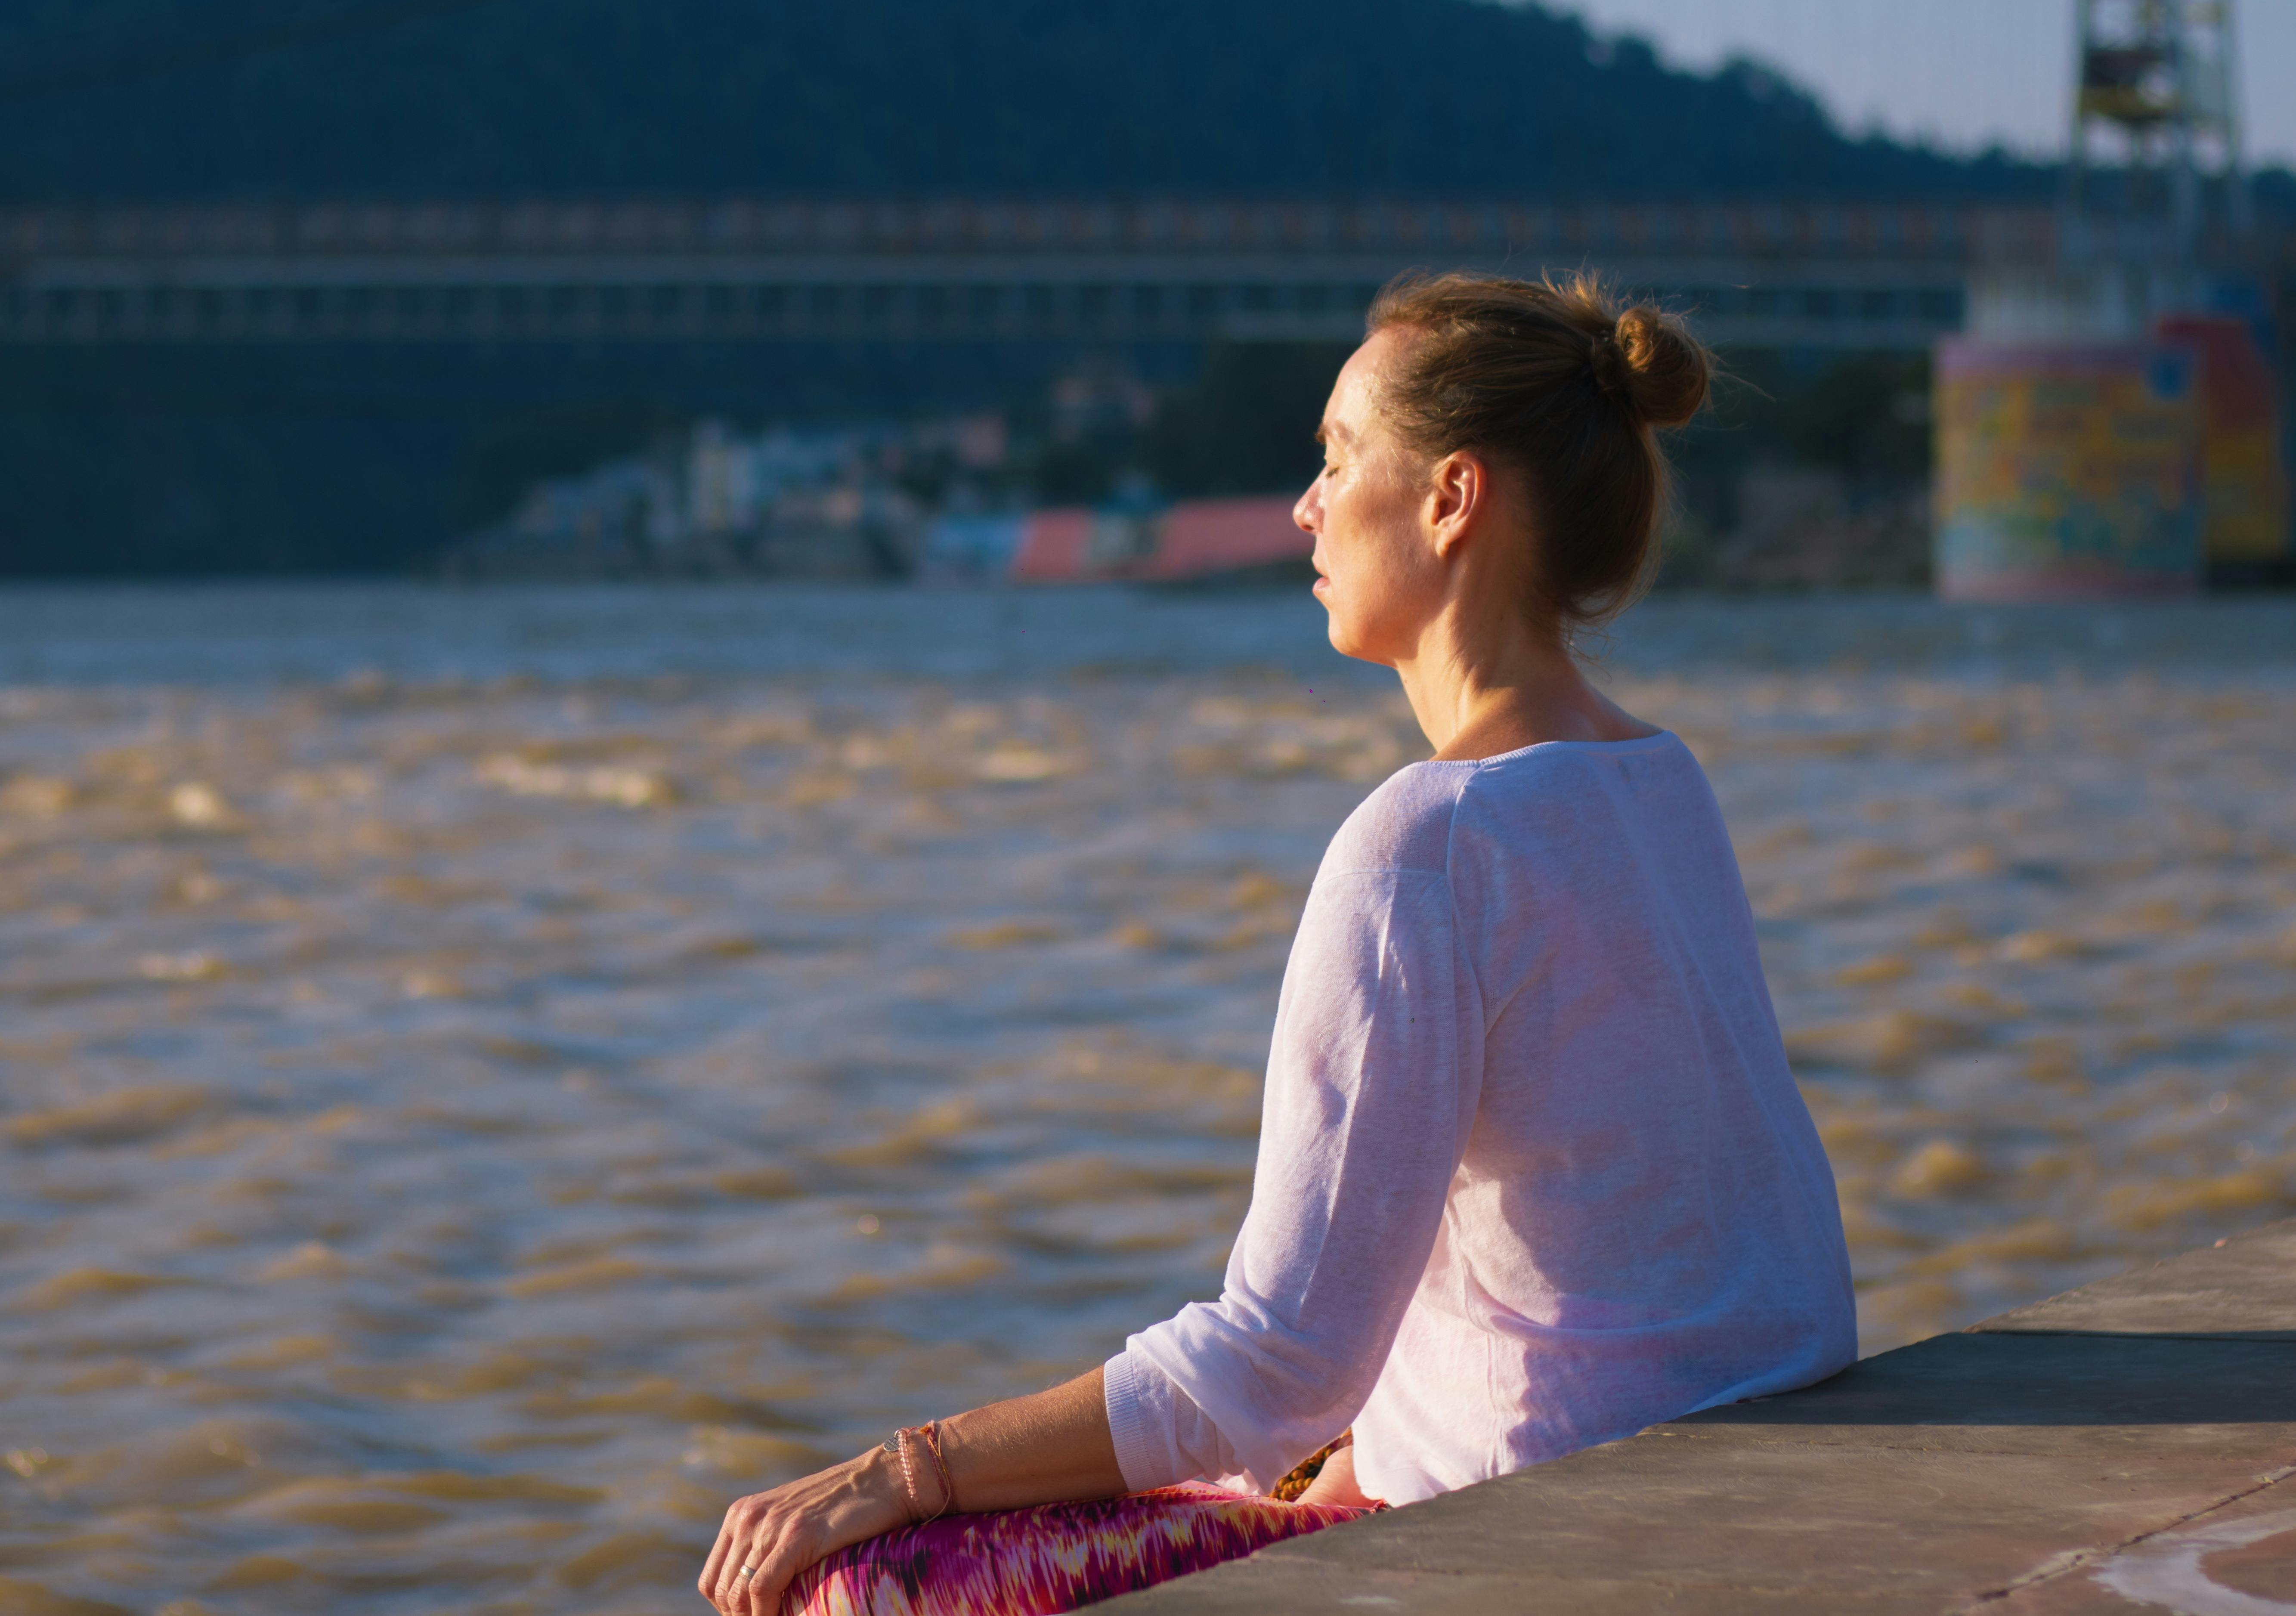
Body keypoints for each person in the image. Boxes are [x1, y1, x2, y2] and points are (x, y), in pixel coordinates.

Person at [698, 274, 1857, 1616]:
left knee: (853, 1578)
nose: (1307, 504)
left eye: (1336, 455)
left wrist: (910, 1469)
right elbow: (1596, 1249)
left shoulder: (1426, 839)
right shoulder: (1663, 782)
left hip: (1550, 1536)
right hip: (1727, 1469)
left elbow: (1278, 1361)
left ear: (1451, 498)